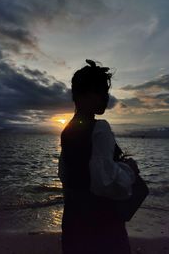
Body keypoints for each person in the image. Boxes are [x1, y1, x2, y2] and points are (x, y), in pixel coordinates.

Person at [58, 60, 139, 254]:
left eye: (106, 92)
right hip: (101, 224)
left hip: (73, 221)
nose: (106, 97)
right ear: (83, 96)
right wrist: (129, 171)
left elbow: (65, 175)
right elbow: (104, 183)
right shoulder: (100, 128)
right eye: (100, 92)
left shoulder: (67, 131)